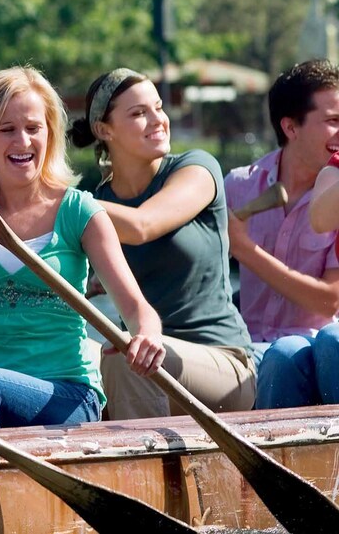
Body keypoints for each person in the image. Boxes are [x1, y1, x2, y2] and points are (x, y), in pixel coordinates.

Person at [0, 67, 164, 430]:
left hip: (66, 396)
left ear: (50, 134)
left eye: (33, 128)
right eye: (7, 129)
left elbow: (136, 308)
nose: (22, 141)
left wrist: (147, 335)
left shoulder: (80, 211)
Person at [70, 68, 255, 419]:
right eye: (140, 113)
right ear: (103, 130)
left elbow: (143, 225)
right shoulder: (98, 202)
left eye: (158, 108)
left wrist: (54, 198)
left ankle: (133, 472)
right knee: (65, 357)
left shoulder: (197, 168)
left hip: (224, 364)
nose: (158, 120)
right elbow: (62, 289)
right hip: (141, 362)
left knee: (126, 359)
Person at [227, 60, 339, 409]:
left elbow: (329, 301)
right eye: (333, 121)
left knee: (288, 353)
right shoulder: (237, 186)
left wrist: (246, 251)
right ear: (290, 127)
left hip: (309, 348)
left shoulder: (335, 193)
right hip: (240, 347)